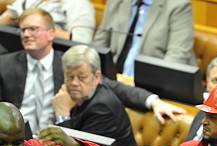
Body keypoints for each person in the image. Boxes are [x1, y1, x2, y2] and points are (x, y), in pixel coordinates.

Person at [0, 8, 185, 134]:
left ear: (51, 33)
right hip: (12, 143)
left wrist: (153, 101)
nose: (25, 34)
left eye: (33, 29)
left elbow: (113, 86)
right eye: (23, 29)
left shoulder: (70, 66)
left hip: (54, 142)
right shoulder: (5, 65)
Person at [53, 45, 140, 146]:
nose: (74, 83)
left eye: (82, 77)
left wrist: (62, 116)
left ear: (97, 77)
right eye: (70, 77)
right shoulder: (73, 95)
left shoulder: (102, 108)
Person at [93, 0, 196, 77]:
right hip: (112, 81)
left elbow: (177, 56)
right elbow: (99, 45)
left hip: (151, 85)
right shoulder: (116, 2)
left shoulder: (178, 5)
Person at [0, 0, 95, 42]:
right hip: (15, 45)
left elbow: (81, 41)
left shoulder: (80, 5)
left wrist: (38, 27)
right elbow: (6, 18)